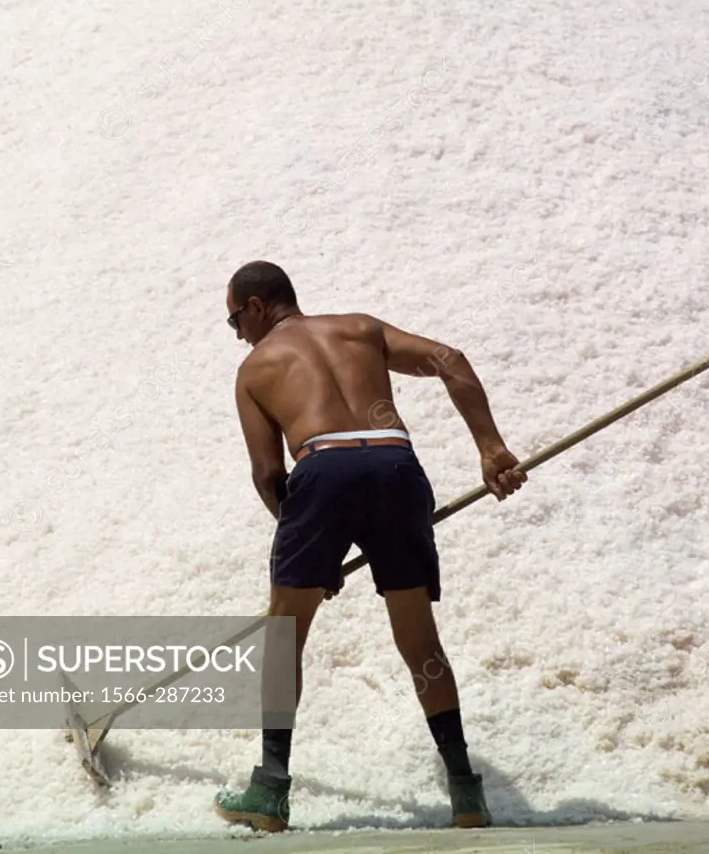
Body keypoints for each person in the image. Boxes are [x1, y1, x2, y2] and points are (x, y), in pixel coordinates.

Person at [214, 261, 527, 833]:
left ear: (257, 306)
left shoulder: (255, 367)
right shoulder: (359, 328)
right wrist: (490, 447)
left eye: (234, 318)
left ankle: (270, 792)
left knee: (285, 634)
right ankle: (466, 793)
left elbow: (266, 473)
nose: (236, 332)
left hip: (323, 469)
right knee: (418, 637)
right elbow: (448, 361)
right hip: (394, 464)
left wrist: (309, 544)